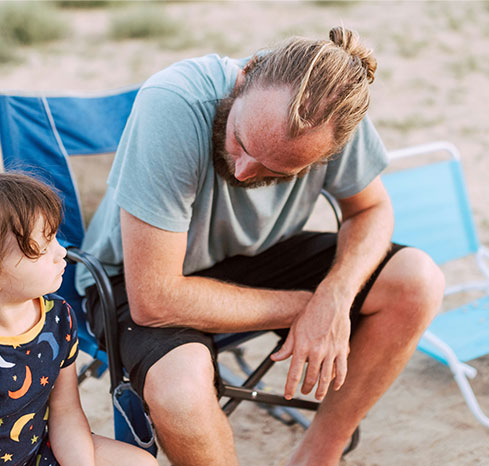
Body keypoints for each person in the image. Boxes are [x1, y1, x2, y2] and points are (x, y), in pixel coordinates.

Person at [77, 27, 445, 466]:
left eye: (280, 169)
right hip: (139, 277)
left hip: (255, 255)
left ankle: (319, 456)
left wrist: (336, 294)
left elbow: (371, 210)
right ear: (247, 74)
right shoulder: (173, 102)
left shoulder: (334, 116)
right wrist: (309, 309)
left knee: (416, 281)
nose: (245, 170)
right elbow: (153, 300)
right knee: (180, 390)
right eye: (242, 141)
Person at [0, 172, 157, 466]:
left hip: (32, 452)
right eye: (42, 249)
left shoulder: (58, 317)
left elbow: (66, 414)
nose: (61, 252)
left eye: (54, 237)